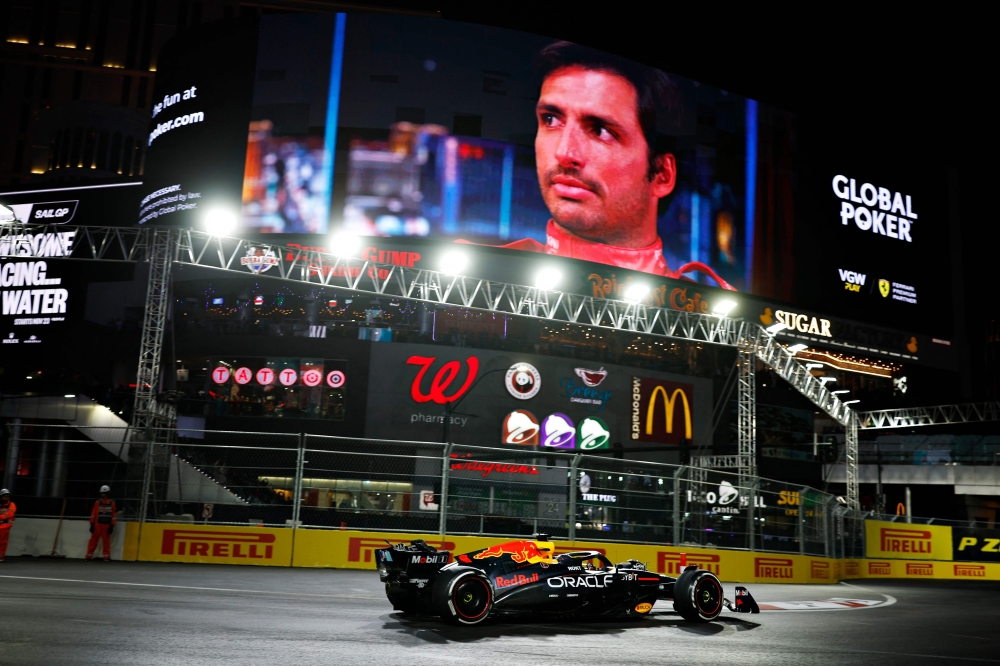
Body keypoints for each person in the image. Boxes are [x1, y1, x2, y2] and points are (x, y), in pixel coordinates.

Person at [497, 41, 734, 290]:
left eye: (601, 131)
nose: (564, 153)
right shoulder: (476, 277)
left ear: (662, 175)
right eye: (551, 119)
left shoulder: (713, 317)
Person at [86, 485, 117, 561]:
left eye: (104, 493)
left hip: (106, 525)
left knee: (106, 542)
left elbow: (113, 515)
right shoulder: (98, 502)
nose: (102, 494)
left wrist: (112, 525)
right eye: (102, 493)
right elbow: (93, 513)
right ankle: (88, 556)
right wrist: (92, 524)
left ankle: (106, 556)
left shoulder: (112, 503)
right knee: (93, 541)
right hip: (97, 524)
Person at [0, 489, 15, 563]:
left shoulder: (11, 504)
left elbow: (10, 514)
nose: (6, 498)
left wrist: (2, 517)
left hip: (5, 525)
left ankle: (1, 556)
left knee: (2, 542)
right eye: (5, 496)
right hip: (2, 524)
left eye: (7, 496)